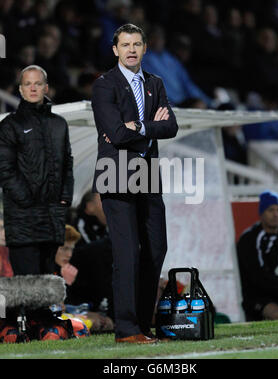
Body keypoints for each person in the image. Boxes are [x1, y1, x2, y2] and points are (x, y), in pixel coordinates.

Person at [91, 23, 178, 344]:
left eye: (137, 44)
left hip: (147, 174)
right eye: (125, 44)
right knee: (127, 252)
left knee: (156, 248)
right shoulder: (104, 85)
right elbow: (116, 133)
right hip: (115, 172)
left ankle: (143, 324)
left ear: (144, 48)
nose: (131, 49)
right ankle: (126, 329)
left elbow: (171, 127)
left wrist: (137, 125)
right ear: (115, 50)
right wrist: (148, 126)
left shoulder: (155, 83)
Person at [0, 64, 74, 276]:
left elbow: (67, 162)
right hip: (24, 221)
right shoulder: (9, 125)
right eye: (28, 84)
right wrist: (28, 201)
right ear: (21, 89)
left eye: (38, 83)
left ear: (46, 88)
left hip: (52, 221)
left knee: (48, 288)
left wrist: (64, 199)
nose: (33, 88)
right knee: (31, 290)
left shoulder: (59, 124)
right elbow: (4, 169)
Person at [237, 190, 278, 321]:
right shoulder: (249, 239)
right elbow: (258, 278)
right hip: (258, 297)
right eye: (271, 210)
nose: (276, 214)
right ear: (262, 213)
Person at [55, 225, 114, 334]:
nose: (69, 254)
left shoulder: (70, 269)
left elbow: (79, 300)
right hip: (55, 319)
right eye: (65, 249)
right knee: (93, 322)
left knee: (105, 322)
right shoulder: (47, 269)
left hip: (73, 313)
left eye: (71, 249)